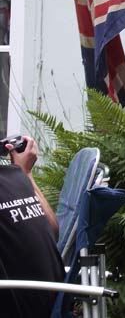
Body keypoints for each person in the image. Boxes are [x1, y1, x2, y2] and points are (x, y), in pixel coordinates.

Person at [0, 135, 64, 317]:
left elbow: (51, 231)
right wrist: (26, 174)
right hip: (52, 306)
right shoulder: (15, 175)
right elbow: (53, 230)